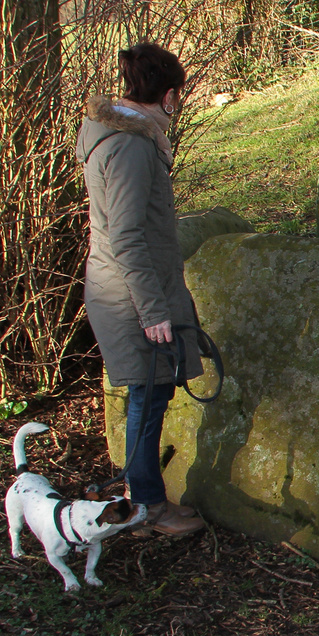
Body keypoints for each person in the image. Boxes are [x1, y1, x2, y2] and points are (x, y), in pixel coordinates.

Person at [75, 43, 207, 536]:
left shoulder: (120, 134)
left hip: (129, 286)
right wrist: (153, 311)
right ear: (170, 94)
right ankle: (147, 508)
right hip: (130, 294)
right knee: (147, 399)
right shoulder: (130, 145)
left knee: (150, 395)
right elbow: (126, 233)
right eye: (180, 95)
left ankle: (144, 500)